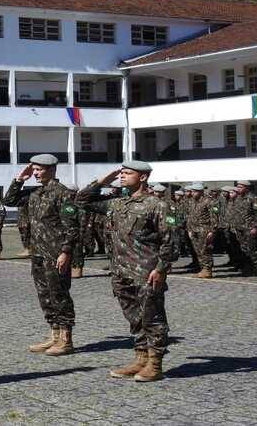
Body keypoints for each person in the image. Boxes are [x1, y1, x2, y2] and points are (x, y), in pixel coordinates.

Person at [75, 161, 174, 382]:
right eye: (121, 172)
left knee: (152, 317)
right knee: (134, 318)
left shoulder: (158, 205)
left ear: (143, 177)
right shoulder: (117, 203)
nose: (122, 175)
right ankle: (140, 358)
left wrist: (161, 269)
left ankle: (155, 364)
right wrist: (103, 180)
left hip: (146, 271)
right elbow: (81, 201)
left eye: (128, 173)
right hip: (121, 272)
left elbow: (170, 242)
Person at [2, 154, 78, 357]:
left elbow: (72, 227)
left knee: (59, 294)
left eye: (38, 169)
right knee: (44, 295)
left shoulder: (63, 194)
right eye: (33, 169)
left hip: (55, 254)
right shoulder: (35, 193)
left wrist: (65, 252)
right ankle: (53, 335)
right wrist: (19, 179)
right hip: (38, 254)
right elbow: (9, 200)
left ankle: (66, 339)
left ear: (51, 170)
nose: (34, 173)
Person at [225, 180, 257, 276]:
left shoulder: (253, 198)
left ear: (246, 188)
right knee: (243, 249)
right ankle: (246, 267)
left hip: (249, 227)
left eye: (241, 187)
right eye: (238, 187)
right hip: (239, 228)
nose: (239, 189)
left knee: (251, 248)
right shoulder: (237, 198)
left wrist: (255, 227)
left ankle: (253, 268)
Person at [186, 182, 214, 278]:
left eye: (194, 191)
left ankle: (207, 269)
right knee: (198, 251)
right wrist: (189, 229)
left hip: (204, 229)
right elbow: (189, 216)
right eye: (192, 191)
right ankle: (203, 269)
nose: (192, 193)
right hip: (194, 230)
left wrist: (212, 231)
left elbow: (214, 217)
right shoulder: (192, 201)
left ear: (200, 192)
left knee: (205, 250)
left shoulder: (208, 201)